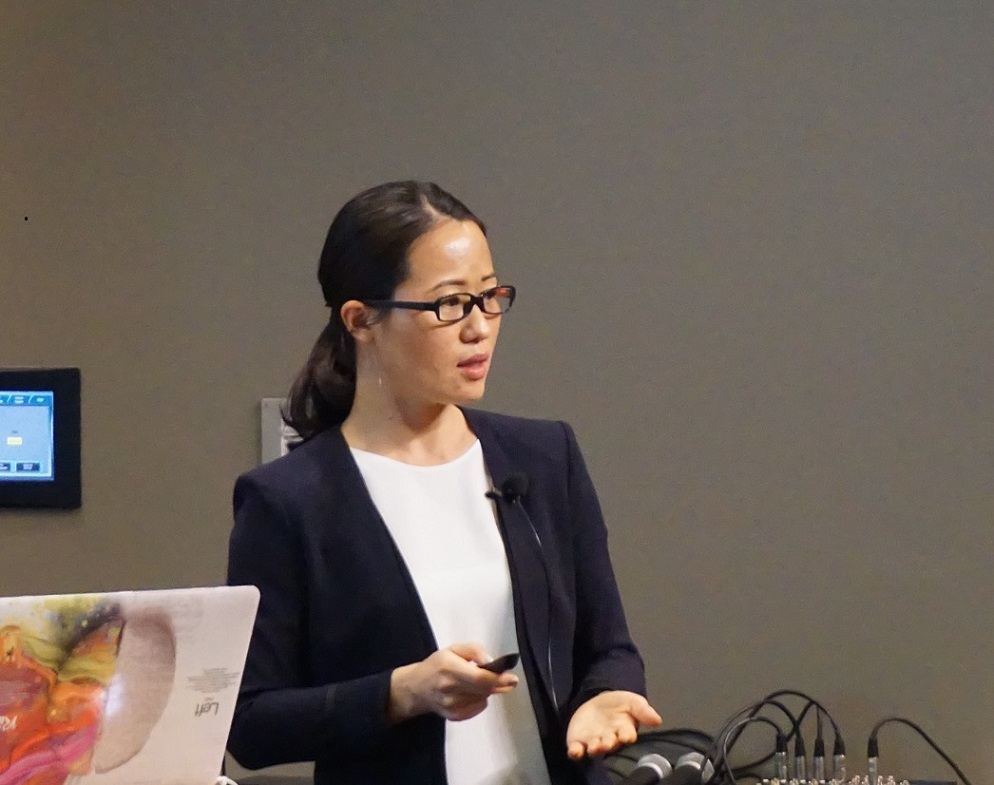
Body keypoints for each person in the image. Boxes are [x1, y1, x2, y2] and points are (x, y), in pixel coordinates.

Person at [226, 181, 661, 785]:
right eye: (450, 304)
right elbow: (250, 722)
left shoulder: (544, 457)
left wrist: (606, 696)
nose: (479, 327)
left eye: (490, 297)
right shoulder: (290, 499)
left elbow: (609, 648)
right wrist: (402, 692)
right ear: (361, 320)